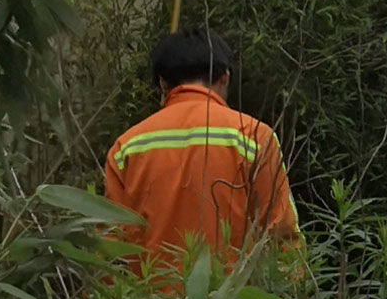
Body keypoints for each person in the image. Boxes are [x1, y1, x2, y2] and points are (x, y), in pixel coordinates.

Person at [104, 31, 299, 267]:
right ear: (224, 78)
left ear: (163, 83)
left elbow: (109, 246)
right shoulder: (255, 137)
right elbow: (281, 236)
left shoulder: (127, 147)